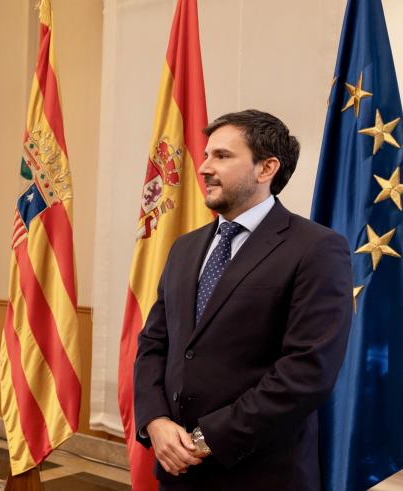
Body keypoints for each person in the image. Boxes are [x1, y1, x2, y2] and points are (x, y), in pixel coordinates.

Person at [133, 109, 353, 489]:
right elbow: (154, 344)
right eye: (205, 155)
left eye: (221, 156)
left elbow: (305, 372)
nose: (203, 168)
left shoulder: (316, 248)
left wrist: (204, 440)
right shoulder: (184, 248)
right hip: (175, 468)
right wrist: (156, 422)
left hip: (261, 472)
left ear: (266, 168)